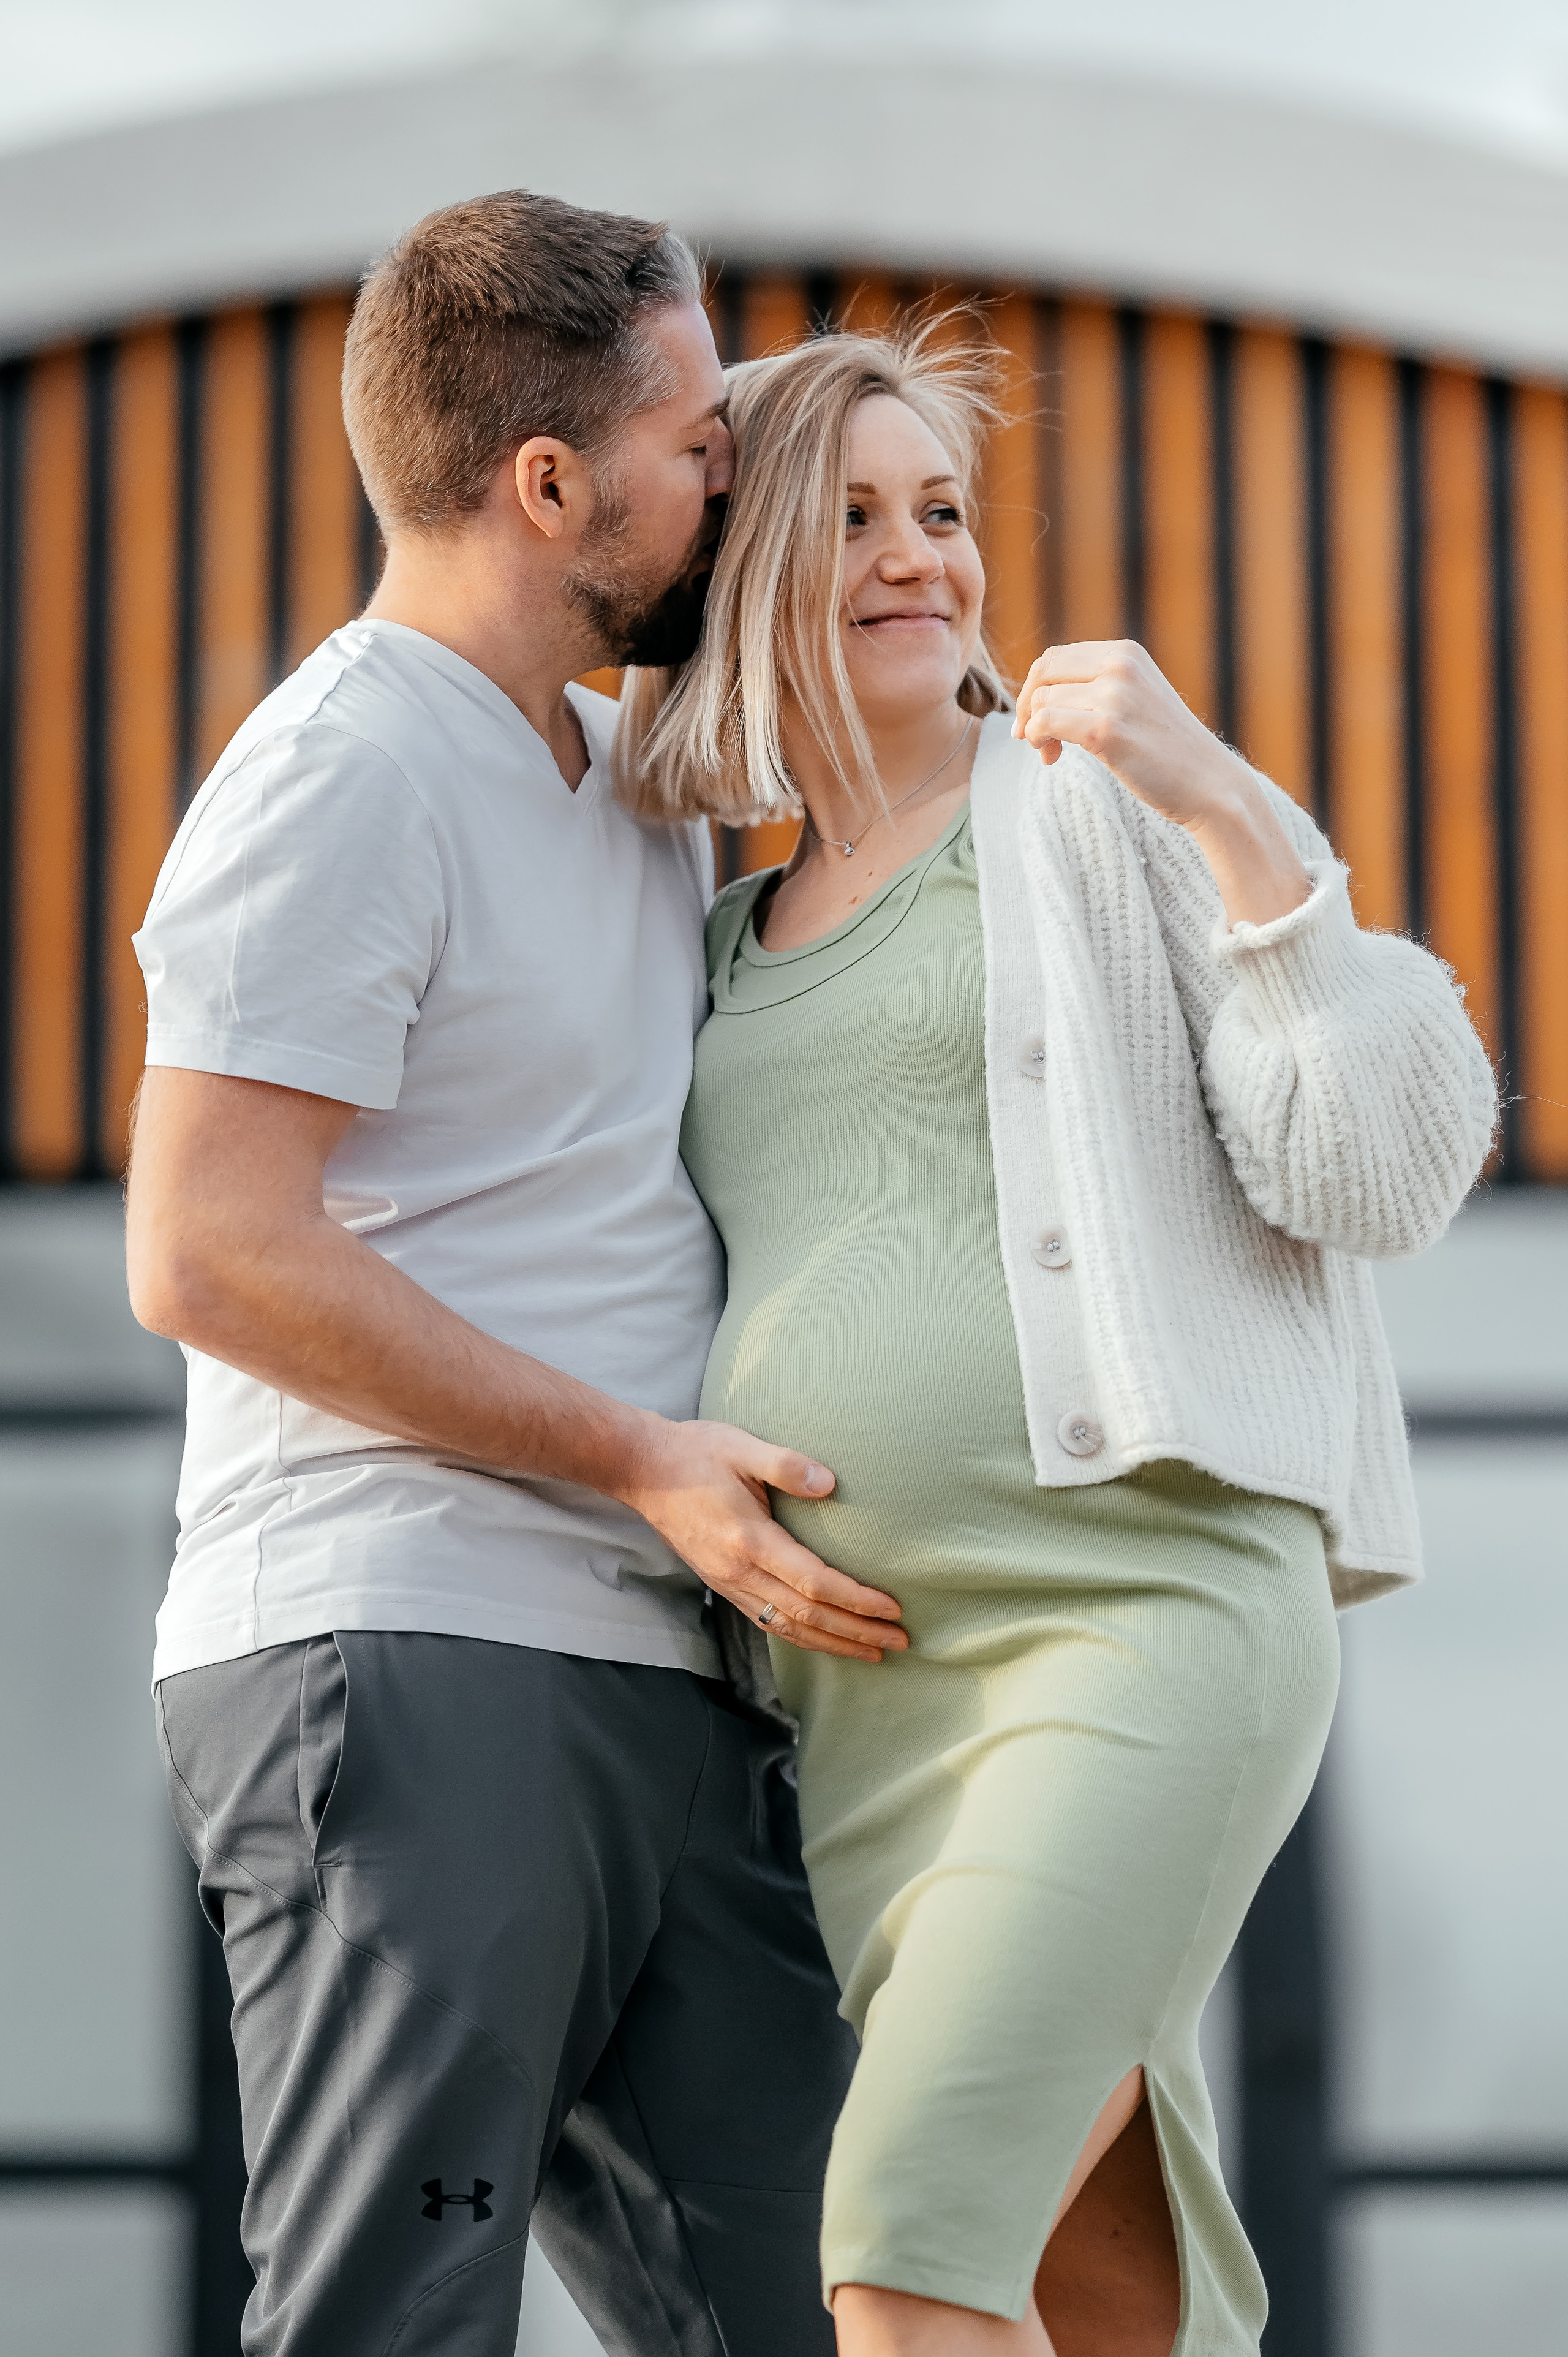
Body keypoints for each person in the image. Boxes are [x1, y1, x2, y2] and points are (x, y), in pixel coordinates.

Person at [629, 320, 1498, 2356]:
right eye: (851, 515)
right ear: (743, 561)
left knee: (906, 2245)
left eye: (943, 508)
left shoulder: (1095, 817)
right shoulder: (700, 931)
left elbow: (1381, 1166)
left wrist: (1237, 811)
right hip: (875, 1723)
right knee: (1087, 2297)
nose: (921, 553)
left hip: (1141, 1620)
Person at [126, 190, 911, 2357]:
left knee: (826, 2305)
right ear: (547, 483)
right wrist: (637, 1454)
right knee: (398, 2312)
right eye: (697, 437)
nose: (732, 474)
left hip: (659, 1669)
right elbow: (204, 1248)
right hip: (409, 1643)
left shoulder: (625, 779)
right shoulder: (342, 771)